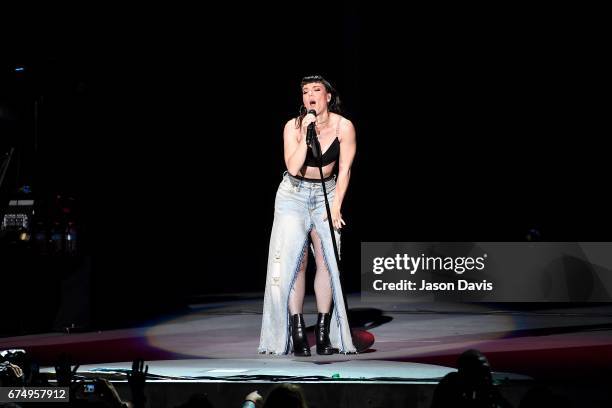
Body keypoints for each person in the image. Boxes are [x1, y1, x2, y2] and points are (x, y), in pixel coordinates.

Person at [258, 75, 357, 356]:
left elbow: (345, 170)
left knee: (327, 260)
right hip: (293, 194)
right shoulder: (294, 126)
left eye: (316, 90)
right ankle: (298, 331)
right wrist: (307, 133)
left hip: (326, 194)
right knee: (295, 263)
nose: (310, 95)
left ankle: (324, 332)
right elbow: (292, 166)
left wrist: (337, 204)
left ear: (328, 96)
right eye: (305, 91)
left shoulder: (344, 127)